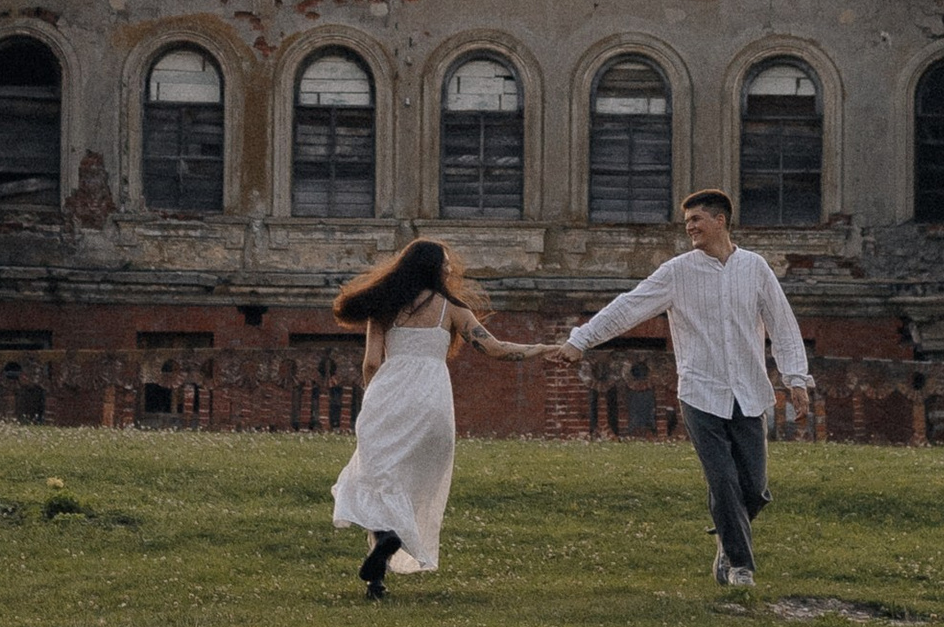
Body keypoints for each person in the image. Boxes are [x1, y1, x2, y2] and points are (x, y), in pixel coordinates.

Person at [563, 193, 812, 589]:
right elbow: (630, 307)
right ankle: (740, 567)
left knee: (755, 489)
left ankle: (726, 542)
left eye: (697, 220)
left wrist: (796, 380)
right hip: (700, 392)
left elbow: (783, 326)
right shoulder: (677, 272)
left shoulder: (755, 268)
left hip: (749, 391)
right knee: (723, 481)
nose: (690, 228)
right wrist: (582, 339)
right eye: (687, 223)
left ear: (720, 220)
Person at [329, 240, 554, 598]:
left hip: (389, 396)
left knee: (379, 476)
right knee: (415, 480)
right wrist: (541, 349)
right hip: (432, 404)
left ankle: (380, 561)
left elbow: (371, 363)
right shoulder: (452, 310)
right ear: (434, 269)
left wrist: (373, 399)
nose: (450, 269)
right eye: (446, 264)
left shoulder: (384, 307)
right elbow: (494, 348)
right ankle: (387, 555)